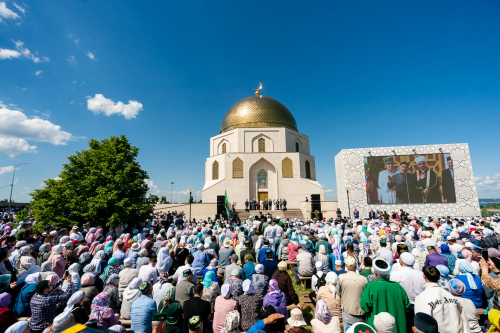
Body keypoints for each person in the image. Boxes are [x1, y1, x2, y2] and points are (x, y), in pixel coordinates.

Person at [360, 258, 410, 333]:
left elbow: (364, 306)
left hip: (377, 328)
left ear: (375, 272)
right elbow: (407, 306)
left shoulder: (370, 286)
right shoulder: (397, 286)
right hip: (397, 327)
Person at [414, 266, 468, 333]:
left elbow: (422, 324)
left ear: (424, 276)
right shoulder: (451, 296)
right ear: (439, 277)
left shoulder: (421, 297)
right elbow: (464, 321)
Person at [338, 257, 367, 328]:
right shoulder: (364, 279)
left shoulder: (341, 277)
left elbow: (338, 293)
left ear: (346, 266)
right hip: (361, 312)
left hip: (347, 310)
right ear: (356, 266)